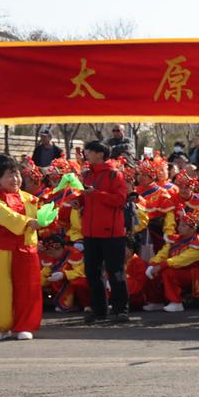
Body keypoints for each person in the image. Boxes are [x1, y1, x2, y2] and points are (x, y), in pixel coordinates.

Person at [0, 157, 45, 340]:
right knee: (0, 288)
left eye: (17, 175)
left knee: (27, 288)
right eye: (9, 175)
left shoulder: (30, 198)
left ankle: (24, 325)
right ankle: (1, 327)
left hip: (26, 247)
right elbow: (4, 215)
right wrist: (28, 222)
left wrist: (48, 216)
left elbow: (42, 215)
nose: (15, 179)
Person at [78, 139, 131, 325]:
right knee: (92, 273)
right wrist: (79, 201)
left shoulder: (114, 174)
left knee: (115, 272)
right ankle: (99, 311)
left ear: (100, 154)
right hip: (90, 232)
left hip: (111, 233)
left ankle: (121, 310)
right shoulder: (87, 175)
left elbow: (120, 200)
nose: (86, 154)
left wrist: (96, 194)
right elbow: (85, 197)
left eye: (89, 151)